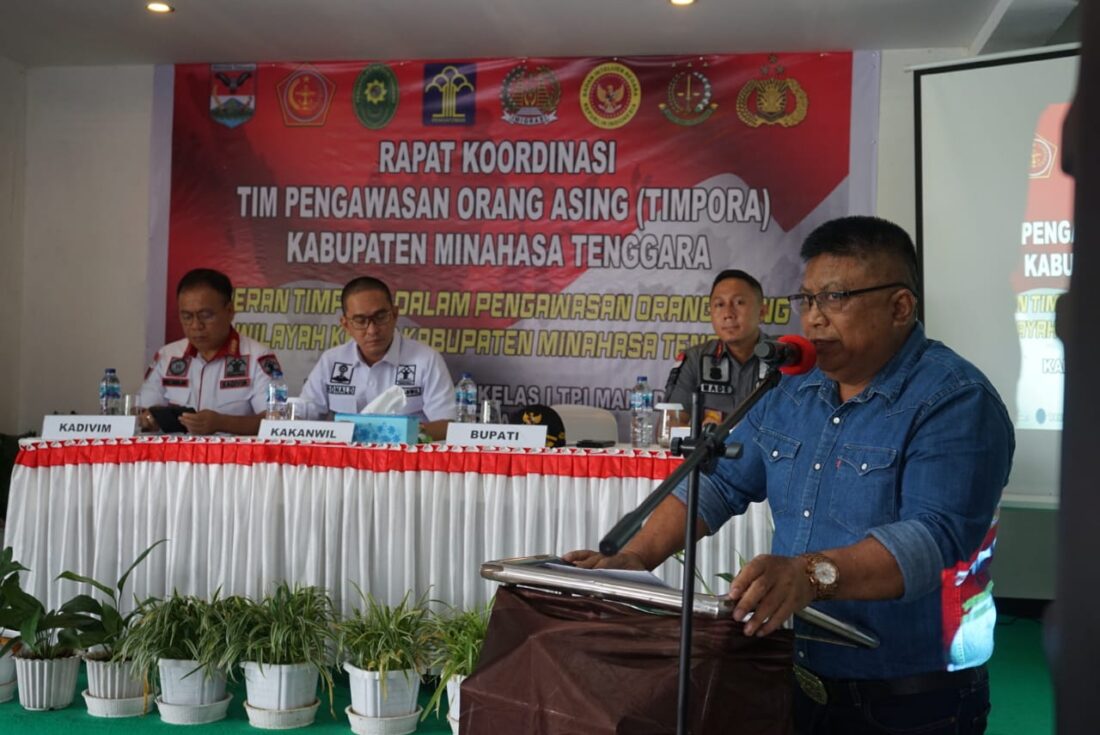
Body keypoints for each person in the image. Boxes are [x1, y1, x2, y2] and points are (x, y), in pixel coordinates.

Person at [566, 216, 1014, 734]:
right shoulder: (792, 389)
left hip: (913, 696)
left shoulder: (955, 399)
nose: (814, 319)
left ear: (899, 307)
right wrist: (635, 558)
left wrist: (810, 575)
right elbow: (719, 483)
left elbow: (934, 538)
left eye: (835, 298)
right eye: (807, 300)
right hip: (799, 675)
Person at [298, 276, 456, 440]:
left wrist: (398, 432)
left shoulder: (426, 360)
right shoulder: (331, 361)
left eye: (380, 317)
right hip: (345, 455)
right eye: (360, 321)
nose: (372, 330)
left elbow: (447, 425)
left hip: (403, 454)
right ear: (346, 325)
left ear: (394, 315)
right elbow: (303, 414)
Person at [138, 268, 282, 435]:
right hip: (176, 451)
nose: (196, 326)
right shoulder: (168, 356)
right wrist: (148, 419)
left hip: (232, 451)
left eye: (205, 315)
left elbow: (275, 421)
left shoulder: (258, 357)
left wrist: (222, 423)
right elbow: (142, 410)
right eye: (187, 316)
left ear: (230, 311)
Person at [665, 269, 769, 425]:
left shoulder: (785, 358)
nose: (728, 314)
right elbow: (670, 423)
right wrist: (701, 433)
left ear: (762, 312)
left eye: (739, 302)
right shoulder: (695, 359)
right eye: (720, 304)